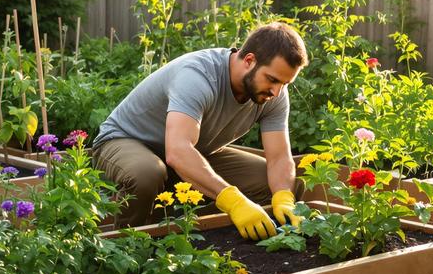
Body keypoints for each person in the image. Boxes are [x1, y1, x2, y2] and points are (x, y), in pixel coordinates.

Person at [92, 22, 308, 238]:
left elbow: (279, 157)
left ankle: (200, 240)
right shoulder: (198, 76)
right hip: (124, 142)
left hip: (191, 154)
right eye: (272, 80)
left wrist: (283, 197)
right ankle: (127, 248)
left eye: (285, 84)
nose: (277, 92)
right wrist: (233, 201)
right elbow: (178, 151)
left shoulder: (273, 95)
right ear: (249, 61)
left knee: (274, 183)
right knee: (147, 173)